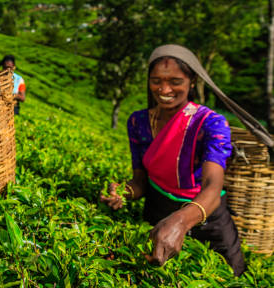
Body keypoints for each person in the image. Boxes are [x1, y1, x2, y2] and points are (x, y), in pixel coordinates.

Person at [100, 44, 274, 276]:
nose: (164, 88)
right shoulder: (138, 122)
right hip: (157, 213)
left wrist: (181, 222)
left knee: (230, 276)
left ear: (192, 82)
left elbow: (213, 186)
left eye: (175, 81)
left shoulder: (211, 123)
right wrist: (123, 192)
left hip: (207, 218)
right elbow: (140, 180)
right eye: (156, 80)